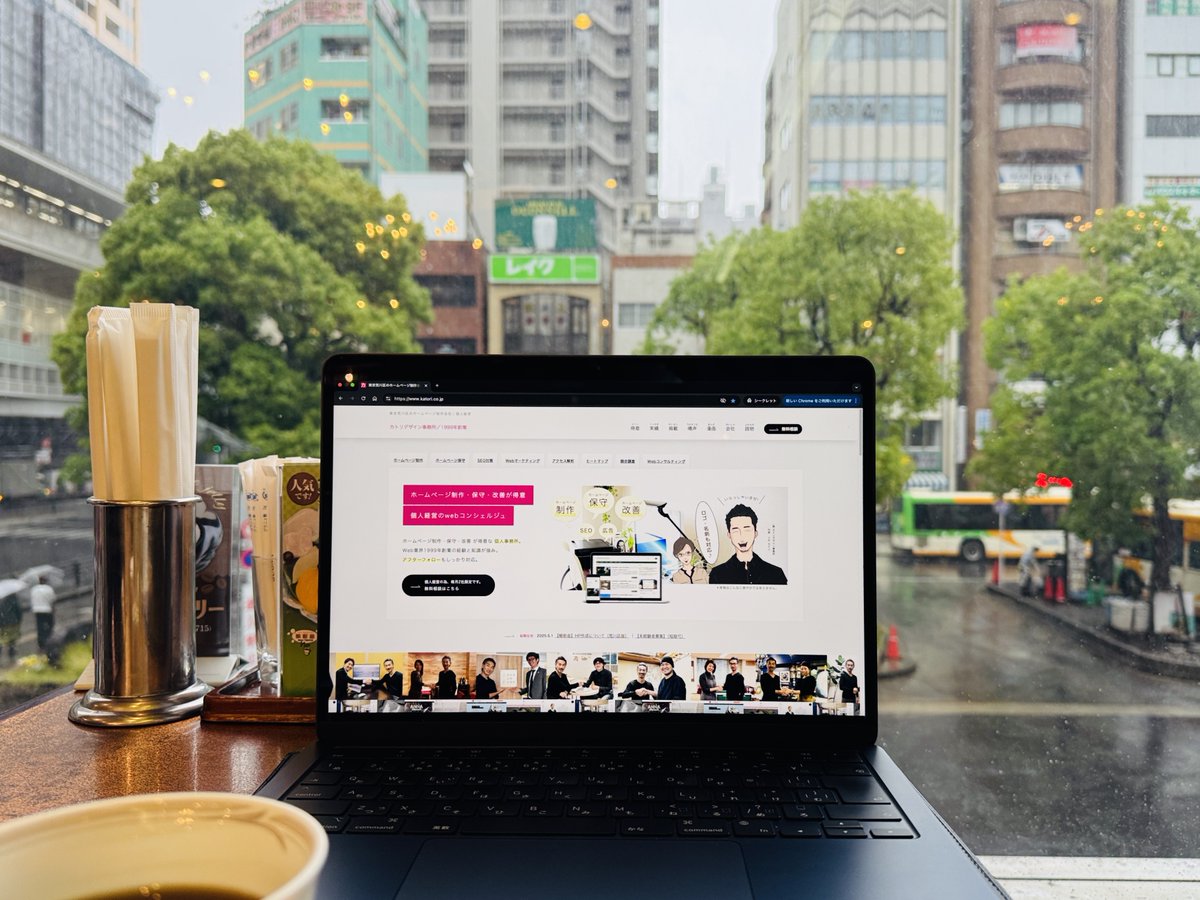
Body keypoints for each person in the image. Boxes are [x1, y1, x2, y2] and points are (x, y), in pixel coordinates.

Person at [708, 504, 787, 585]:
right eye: (735, 530)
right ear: (729, 535)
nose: (741, 536)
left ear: (755, 533)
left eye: (747, 529)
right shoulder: (717, 574)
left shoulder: (776, 574)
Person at [30, 576, 55, 652]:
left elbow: (32, 600)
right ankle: (49, 641)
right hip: (47, 610)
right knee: (49, 626)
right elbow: (52, 600)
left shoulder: (33, 589)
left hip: (37, 610)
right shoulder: (49, 589)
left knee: (40, 627)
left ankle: (41, 644)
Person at [0, 586, 21, 661]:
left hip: (3, 624)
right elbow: (18, 612)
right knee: (12, 640)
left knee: (2, 640)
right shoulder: (14, 600)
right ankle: (12, 655)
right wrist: (19, 620)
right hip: (13, 623)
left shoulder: (2, 601)